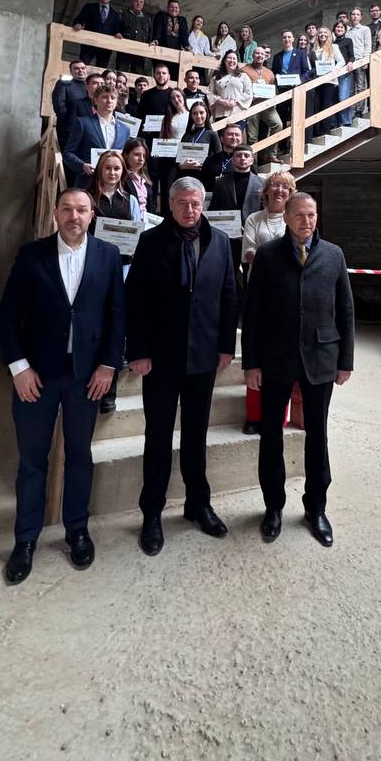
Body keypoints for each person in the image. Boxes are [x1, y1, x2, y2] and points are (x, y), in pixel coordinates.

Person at [0, 188, 125, 584]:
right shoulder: (31, 255)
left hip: (86, 377)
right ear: (55, 213)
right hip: (36, 375)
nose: (74, 216)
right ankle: (25, 539)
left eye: (82, 209)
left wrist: (108, 366)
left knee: (79, 455)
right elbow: (7, 317)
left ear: (92, 215)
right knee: (32, 460)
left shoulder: (108, 255)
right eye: (67, 209)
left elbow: (117, 316)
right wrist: (19, 368)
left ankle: (77, 530)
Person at [126, 177, 238, 555]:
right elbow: (136, 299)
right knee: (158, 436)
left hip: (203, 357)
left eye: (195, 204)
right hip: (160, 358)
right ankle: (152, 513)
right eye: (182, 204)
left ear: (202, 204)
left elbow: (229, 296)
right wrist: (138, 351)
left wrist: (226, 346)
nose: (190, 210)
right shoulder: (150, 241)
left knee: (196, 434)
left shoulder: (220, 242)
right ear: (170, 205)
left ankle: (197, 504)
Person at [242, 192, 355, 547]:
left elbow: (345, 310)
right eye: (300, 215)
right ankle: (273, 507)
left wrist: (345, 361)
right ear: (287, 218)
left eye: (312, 215)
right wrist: (251, 363)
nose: (307, 221)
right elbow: (253, 312)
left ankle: (316, 508)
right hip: (276, 359)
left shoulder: (333, 255)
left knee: (317, 436)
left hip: (321, 359)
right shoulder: (268, 255)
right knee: (271, 437)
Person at [240, 172, 296, 433]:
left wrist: (267, 256)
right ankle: (254, 416)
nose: (279, 190)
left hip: (287, 295)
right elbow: (248, 253)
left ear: (291, 193)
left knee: (283, 358)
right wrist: (275, 256)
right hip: (259, 291)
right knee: (256, 353)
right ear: (265, 191)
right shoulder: (254, 219)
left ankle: (279, 416)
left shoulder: (294, 219)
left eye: (285, 187)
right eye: (274, 185)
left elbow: (298, 251)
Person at [87, 151, 141, 413]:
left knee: (116, 326)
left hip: (123, 270)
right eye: (107, 167)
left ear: (122, 172)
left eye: (117, 168)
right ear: (100, 169)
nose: (112, 172)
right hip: (92, 270)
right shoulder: (87, 198)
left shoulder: (130, 200)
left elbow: (137, 232)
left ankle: (109, 393)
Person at [209, 142, 262, 298]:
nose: (242, 158)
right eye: (238, 155)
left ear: (252, 160)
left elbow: (264, 211)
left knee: (252, 278)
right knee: (228, 278)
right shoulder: (220, 182)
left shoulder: (262, 183)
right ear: (233, 159)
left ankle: (249, 308)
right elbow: (213, 210)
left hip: (252, 239)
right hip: (228, 239)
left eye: (246, 156)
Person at [64, 85, 131, 190]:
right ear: (95, 100)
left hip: (115, 186)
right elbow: (68, 154)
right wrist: (82, 166)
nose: (109, 101)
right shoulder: (82, 123)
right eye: (105, 97)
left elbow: (126, 157)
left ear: (116, 101)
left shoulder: (125, 129)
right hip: (88, 183)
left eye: (113, 97)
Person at [241, 46, 282, 163]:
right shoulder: (244, 70)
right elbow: (241, 88)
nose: (259, 56)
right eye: (257, 53)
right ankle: (253, 163)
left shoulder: (269, 72)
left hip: (267, 106)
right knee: (252, 136)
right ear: (253, 55)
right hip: (253, 107)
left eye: (262, 54)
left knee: (278, 125)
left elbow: (274, 90)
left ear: (265, 57)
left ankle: (271, 155)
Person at [271, 30, 311, 140]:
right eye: (284, 37)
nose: (287, 39)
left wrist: (300, 81)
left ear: (293, 39)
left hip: (296, 90)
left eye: (289, 37)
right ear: (282, 40)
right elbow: (274, 73)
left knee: (297, 117)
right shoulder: (277, 57)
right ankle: (283, 145)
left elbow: (307, 72)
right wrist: (276, 76)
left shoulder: (301, 54)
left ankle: (298, 141)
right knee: (282, 117)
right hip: (282, 91)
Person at [172, 101, 221, 187]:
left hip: (203, 177)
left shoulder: (212, 134)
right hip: (186, 177)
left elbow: (219, 158)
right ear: (191, 116)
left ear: (207, 114)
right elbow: (178, 160)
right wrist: (182, 165)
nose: (198, 116)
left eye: (201, 113)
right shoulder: (186, 135)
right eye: (195, 113)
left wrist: (203, 165)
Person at [156, 88, 189, 213]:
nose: (176, 99)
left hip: (187, 156)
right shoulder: (168, 118)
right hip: (170, 159)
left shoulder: (192, 115)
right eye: (173, 98)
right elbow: (162, 138)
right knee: (168, 189)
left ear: (183, 97)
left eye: (178, 96)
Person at [72, 0, 123, 66]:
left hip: (105, 47)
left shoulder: (115, 14)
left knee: (102, 70)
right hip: (88, 44)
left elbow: (116, 29)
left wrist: (117, 33)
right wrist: (78, 24)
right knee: (82, 66)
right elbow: (79, 20)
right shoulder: (89, 7)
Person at [52, 59, 89, 151]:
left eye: (83, 68)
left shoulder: (91, 87)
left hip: (87, 129)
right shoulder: (63, 85)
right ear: (71, 71)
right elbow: (60, 109)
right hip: (68, 129)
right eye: (76, 68)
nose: (80, 70)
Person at [207, 51, 254, 120]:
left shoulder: (243, 76)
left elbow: (249, 93)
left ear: (237, 62)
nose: (232, 60)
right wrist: (220, 101)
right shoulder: (216, 77)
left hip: (238, 114)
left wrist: (235, 101)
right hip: (220, 113)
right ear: (224, 61)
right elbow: (209, 93)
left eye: (234, 58)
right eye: (229, 58)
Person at [310, 26, 340, 133]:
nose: (322, 34)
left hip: (329, 81)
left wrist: (332, 71)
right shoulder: (314, 50)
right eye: (320, 33)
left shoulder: (333, 47)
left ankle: (326, 129)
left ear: (328, 35)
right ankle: (318, 131)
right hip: (317, 81)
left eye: (325, 32)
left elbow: (341, 61)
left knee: (326, 104)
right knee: (317, 105)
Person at [136, 62, 172, 146]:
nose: (161, 75)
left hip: (168, 138)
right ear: (154, 75)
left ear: (168, 76)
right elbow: (139, 116)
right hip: (149, 138)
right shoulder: (146, 95)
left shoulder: (174, 94)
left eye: (164, 73)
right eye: (158, 73)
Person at [152, 0, 189, 79]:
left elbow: (184, 35)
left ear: (179, 9)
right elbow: (158, 30)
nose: (174, 9)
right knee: (161, 74)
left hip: (176, 52)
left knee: (174, 76)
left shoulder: (182, 20)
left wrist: (186, 46)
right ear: (167, 8)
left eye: (176, 7)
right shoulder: (161, 16)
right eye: (172, 7)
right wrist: (155, 40)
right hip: (162, 49)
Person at [202, 123, 244, 192]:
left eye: (237, 135)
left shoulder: (247, 161)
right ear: (222, 139)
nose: (234, 137)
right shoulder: (210, 160)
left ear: (241, 139)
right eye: (230, 134)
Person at [346, 7, 371, 117]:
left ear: (361, 17)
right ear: (350, 17)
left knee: (361, 86)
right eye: (353, 14)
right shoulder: (348, 32)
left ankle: (359, 110)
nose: (355, 16)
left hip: (360, 60)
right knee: (351, 88)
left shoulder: (365, 29)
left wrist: (366, 60)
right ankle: (352, 111)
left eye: (357, 14)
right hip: (350, 63)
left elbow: (368, 45)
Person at [118, 0, 152, 74]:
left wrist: (151, 41)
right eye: (136, 1)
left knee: (138, 75)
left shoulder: (147, 18)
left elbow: (150, 33)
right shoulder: (124, 14)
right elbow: (117, 27)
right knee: (121, 72)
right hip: (124, 50)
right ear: (132, 1)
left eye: (141, 2)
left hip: (139, 52)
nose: (138, 3)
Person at [122, 137, 156, 218]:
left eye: (144, 156)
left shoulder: (145, 179)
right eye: (137, 155)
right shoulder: (121, 177)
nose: (141, 159)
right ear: (126, 155)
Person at [332, 20, 355, 128]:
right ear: (334, 30)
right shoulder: (332, 43)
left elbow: (352, 55)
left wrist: (350, 62)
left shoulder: (348, 41)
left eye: (341, 27)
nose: (339, 29)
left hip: (345, 72)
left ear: (345, 30)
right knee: (335, 97)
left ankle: (346, 121)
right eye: (337, 27)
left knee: (343, 96)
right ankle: (338, 121)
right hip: (334, 73)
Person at [187, 15, 212, 83]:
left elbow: (207, 51)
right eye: (197, 21)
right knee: (189, 80)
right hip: (189, 60)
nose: (199, 23)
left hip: (200, 61)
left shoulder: (205, 37)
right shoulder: (187, 34)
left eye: (201, 22)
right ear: (193, 22)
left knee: (200, 81)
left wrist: (214, 55)